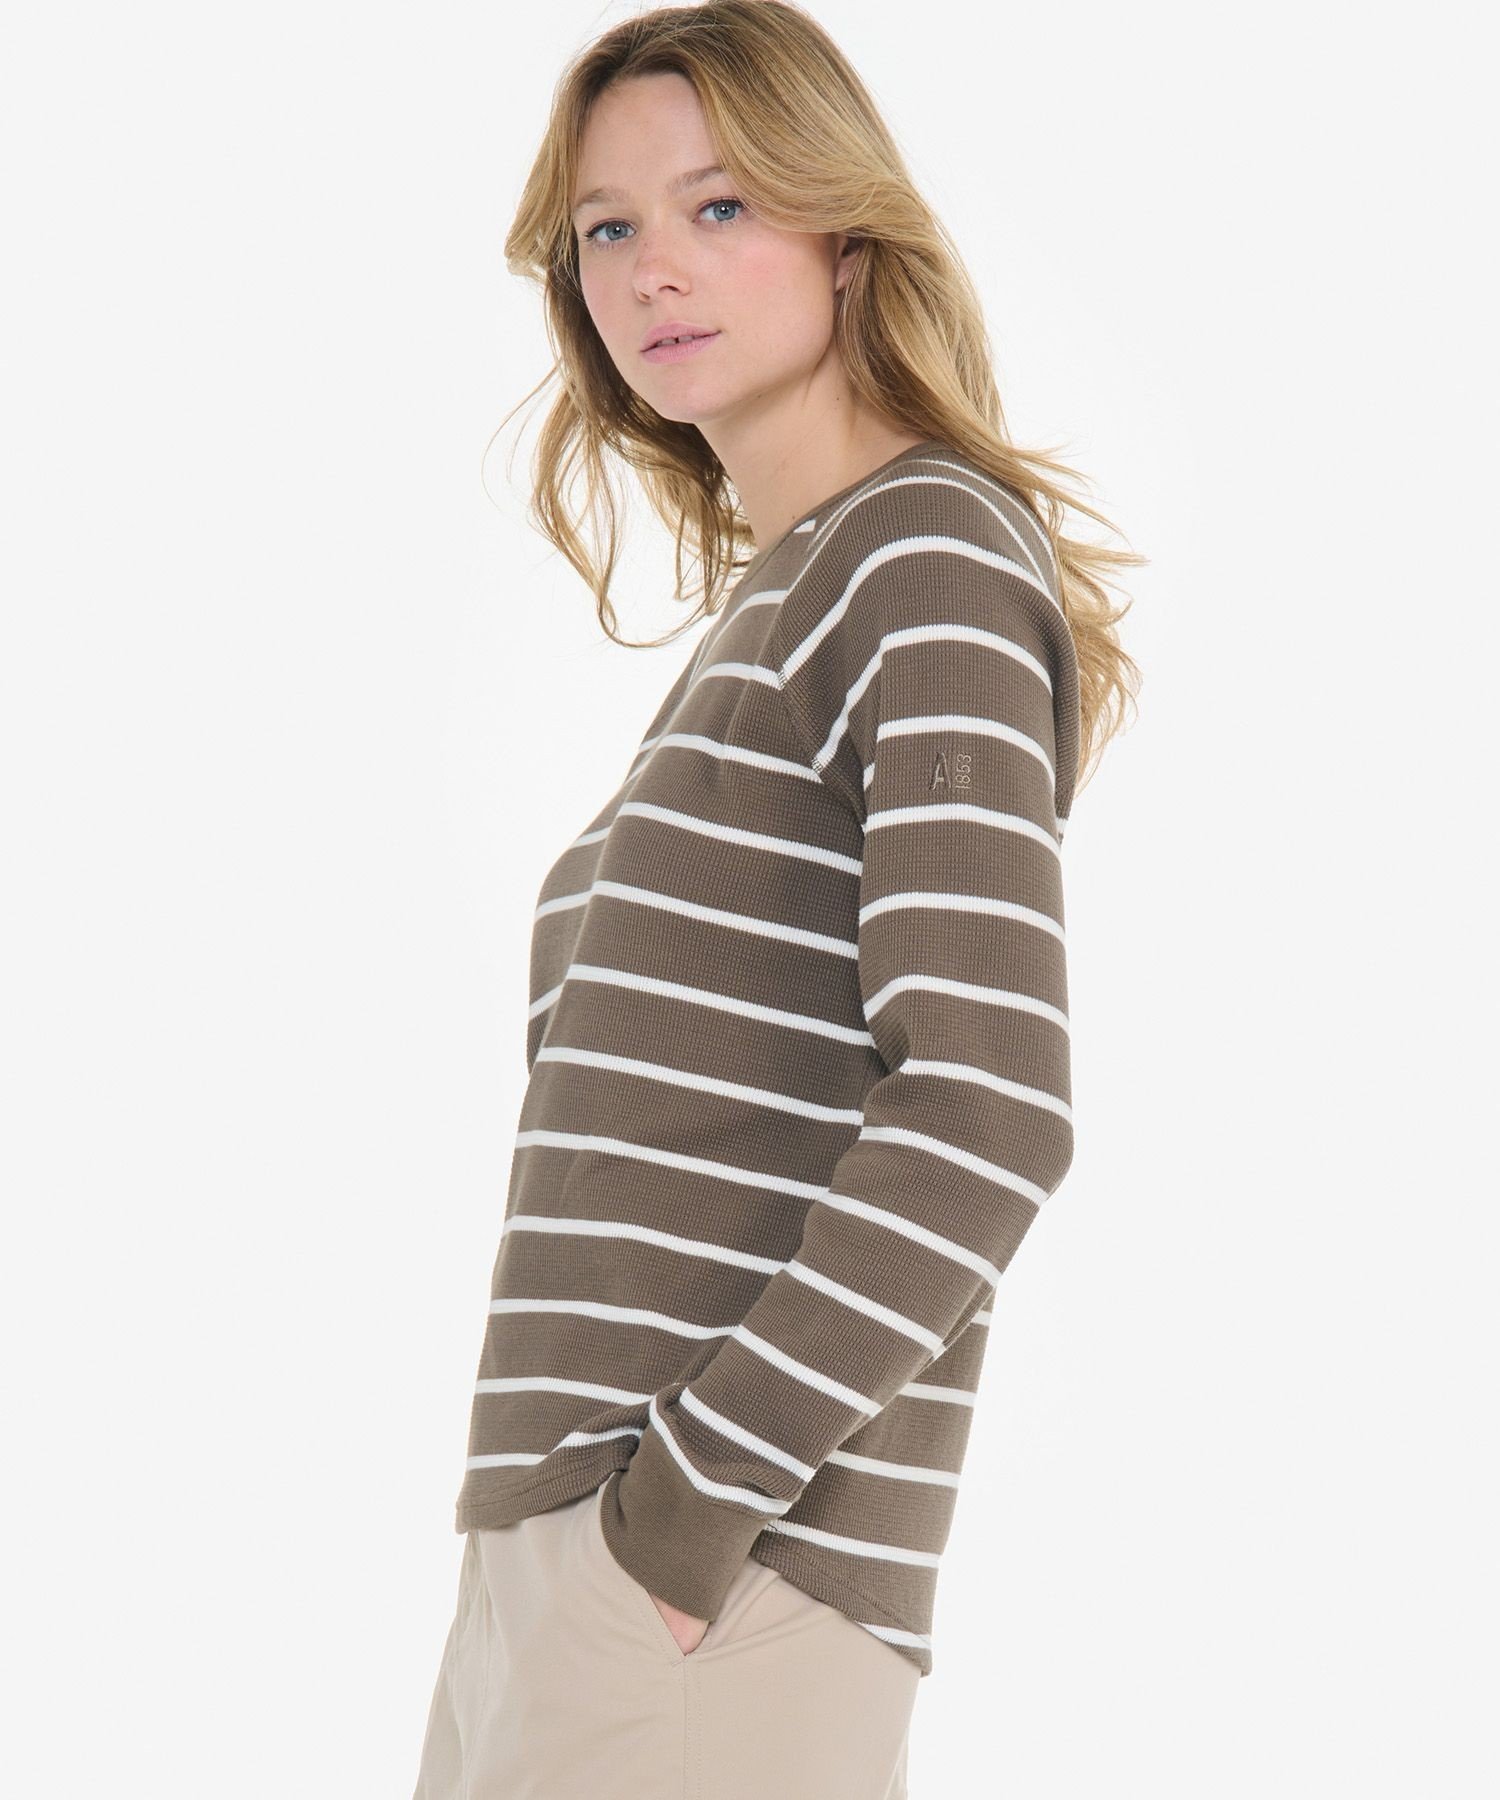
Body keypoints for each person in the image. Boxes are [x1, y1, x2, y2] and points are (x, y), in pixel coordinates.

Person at [412, 3, 1141, 1794]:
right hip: (571, 1555)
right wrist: (593, 1553)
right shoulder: (790, 598)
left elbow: (990, 1105)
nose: (653, 265)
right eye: (608, 226)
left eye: (719, 204)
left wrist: (684, 1516)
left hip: (710, 1582)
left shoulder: (927, 556)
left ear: (845, 229)